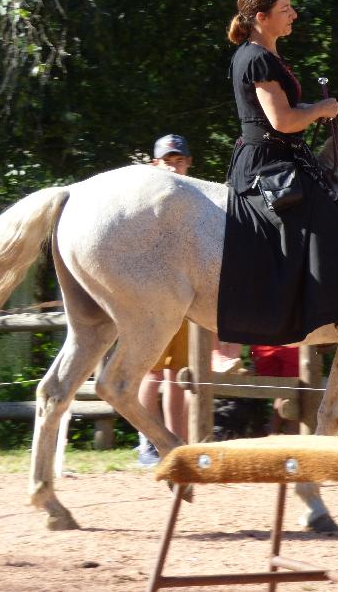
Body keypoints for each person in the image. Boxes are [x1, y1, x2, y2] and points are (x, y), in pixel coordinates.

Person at [217, 0, 338, 368]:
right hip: (269, 164)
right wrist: (320, 109)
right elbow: (282, 120)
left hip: (278, 156)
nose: (294, 15)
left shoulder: (258, 56)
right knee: (330, 224)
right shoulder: (257, 58)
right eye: (285, 10)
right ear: (261, 17)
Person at [136, 134, 194, 466]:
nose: (174, 165)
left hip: (184, 297)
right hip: (153, 298)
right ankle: (148, 441)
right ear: (155, 164)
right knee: (152, 372)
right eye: (167, 160)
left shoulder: (194, 200)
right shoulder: (146, 201)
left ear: (188, 163)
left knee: (179, 374)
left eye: (179, 160)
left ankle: (177, 443)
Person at [250, 344, 300, 434]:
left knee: (284, 391)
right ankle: (292, 440)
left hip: (259, 351)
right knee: (298, 393)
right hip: (291, 347)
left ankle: (272, 433)